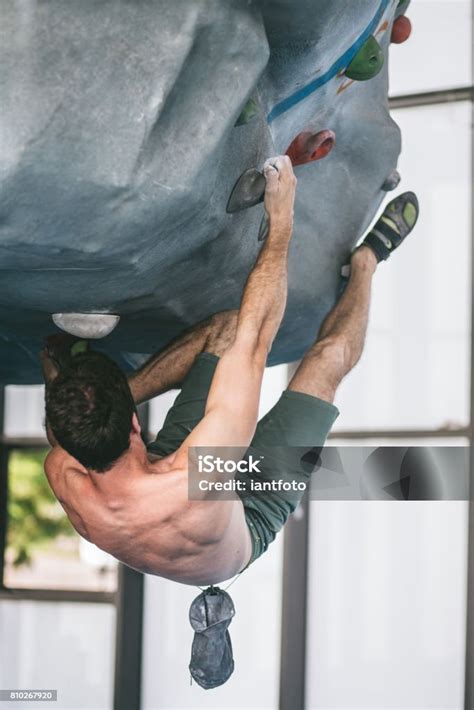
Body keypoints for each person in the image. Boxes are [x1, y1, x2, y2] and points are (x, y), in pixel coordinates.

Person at [41, 156, 419, 585]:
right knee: (326, 360)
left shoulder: (62, 466)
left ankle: (99, 389)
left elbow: (241, 330)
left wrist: (70, 389)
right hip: (241, 520)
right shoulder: (187, 475)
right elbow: (255, 341)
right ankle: (368, 261)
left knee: (226, 328)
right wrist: (281, 220)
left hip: (165, 483)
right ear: (133, 422)